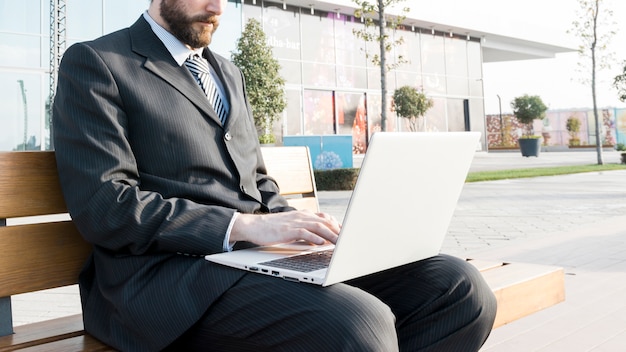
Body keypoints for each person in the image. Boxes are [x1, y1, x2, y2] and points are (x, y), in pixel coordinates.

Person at [52, 0, 497, 351]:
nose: (218, 7)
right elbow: (105, 205)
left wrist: (306, 231)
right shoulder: (98, 63)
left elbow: (257, 183)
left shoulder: (225, 71)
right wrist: (244, 226)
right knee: (358, 322)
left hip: (254, 261)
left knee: (458, 288)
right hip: (166, 282)